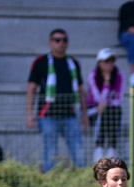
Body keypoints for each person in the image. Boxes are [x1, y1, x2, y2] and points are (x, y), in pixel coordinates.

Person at [26, 28, 88, 173]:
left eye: (64, 40)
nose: (61, 43)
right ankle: (50, 181)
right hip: (47, 116)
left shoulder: (73, 62)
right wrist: (29, 114)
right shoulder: (40, 62)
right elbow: (31, 89)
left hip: (70, 115)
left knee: (79, 151)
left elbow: (80, 90)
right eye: (57, 40)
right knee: (51, 153)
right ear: (50, 42)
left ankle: (83, 180)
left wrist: (84, 113)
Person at [87, 48, 125, 162]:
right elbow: (98, 99)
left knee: (114, 110)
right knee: (104, 111)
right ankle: (99, 148)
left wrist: (106, 103)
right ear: (99, 63)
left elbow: (119, 99)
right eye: (106, 61)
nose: (109, 64)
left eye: (111, 61)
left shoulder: (119, 75)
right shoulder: (92, 76)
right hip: (93, 110)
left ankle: (111, 149)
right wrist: (107, 83)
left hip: (110, 110)